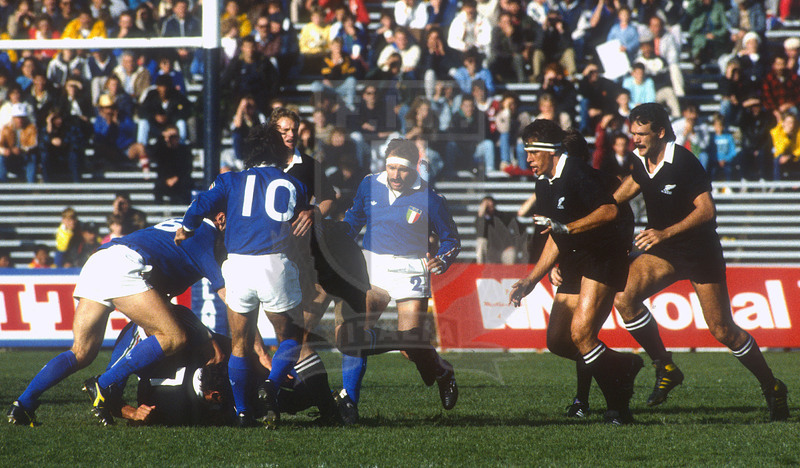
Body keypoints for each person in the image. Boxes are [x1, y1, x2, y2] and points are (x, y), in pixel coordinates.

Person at [612, 103, 789, 421]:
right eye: (633, 133)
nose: (635, 139)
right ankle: (664, 366)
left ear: (661, 132)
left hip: (699, 251)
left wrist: (664, 233)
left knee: (722, 330)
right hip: (665, 250)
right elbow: (632, 184)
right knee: (624, 297)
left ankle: (772, 387)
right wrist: (602, 205)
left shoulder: (683, 161)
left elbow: (707, 210)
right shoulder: (641, 160)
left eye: (641, 133)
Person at [7, 215, 226, 426]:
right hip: (126, 265)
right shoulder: (207, 240)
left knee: (81, 352)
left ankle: (23, 404)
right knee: (173, 337)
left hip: (100, 259)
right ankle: (103, 384)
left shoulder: (188, 222)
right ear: (221, 220)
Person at [508, 119, 643, 425]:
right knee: (557, 341)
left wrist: (567, 227)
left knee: (581, 334)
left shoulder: (579, 173)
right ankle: (621, 365)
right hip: (576, 259)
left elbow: (609, 210)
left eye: (531, 152)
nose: (527, 159)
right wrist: (531, 280)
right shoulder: (543, 182)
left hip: (604, 257)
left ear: (550, 151)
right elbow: (555, 235)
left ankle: (617, 408)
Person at [175, 124, 311, 428]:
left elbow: (200, 204)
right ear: (279, 150)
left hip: (238, 264)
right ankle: (271, 386)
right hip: (274, 262)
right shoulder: (292, 183)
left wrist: (187, 227)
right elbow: (301, 213)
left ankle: (242, 412)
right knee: (291, 337)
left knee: (240, 343)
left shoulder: (230, 180)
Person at [339, 138, 461, 412]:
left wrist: (442, 258)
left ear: (414, 168)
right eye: (391, 167)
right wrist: (334, 239)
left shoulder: (431, 198)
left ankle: (443, 372)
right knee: (355, 331)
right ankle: (349, 403)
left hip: (411, 270)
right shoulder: (369, 183)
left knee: (410, 345)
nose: (395, 175)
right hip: (373, 268)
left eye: (402, 169)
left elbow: (452, 240)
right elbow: (353, 221)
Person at [475, 196, 524, 264]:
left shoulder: (502, 216)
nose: (489, 206)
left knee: (511, 254)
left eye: (491, 204)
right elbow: (480, 231)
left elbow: (519, 228)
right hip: (490, 251)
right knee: (480, 241)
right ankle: (479, 269)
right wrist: (482, 213)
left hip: (505, 249)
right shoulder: (481, 220)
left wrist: (515, 243)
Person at [0, 102, 37, 182]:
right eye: (17, 117)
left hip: (24, 156)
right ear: (13, 117)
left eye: (22, 117)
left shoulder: (31, 128)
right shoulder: (6, 128)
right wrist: (4, 150)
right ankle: (2, 187)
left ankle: (31, 187)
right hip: (10, 156)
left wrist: (22, 150)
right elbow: (1, 144)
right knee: (1, 158)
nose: (19, 120)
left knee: (32, 158)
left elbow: (33, 144)